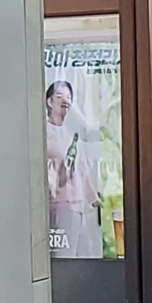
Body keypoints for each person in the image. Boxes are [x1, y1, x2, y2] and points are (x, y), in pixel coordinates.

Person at [44, 79, 102, 257]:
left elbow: (83, 170)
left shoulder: (71, 134)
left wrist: (94, 199)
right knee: (63, 258)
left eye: (68, 97)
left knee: (80, 257)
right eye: (59, 96)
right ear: (49, 101)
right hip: (59, 206)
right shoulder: (42, 132)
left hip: (78, 207)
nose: (65, 101)